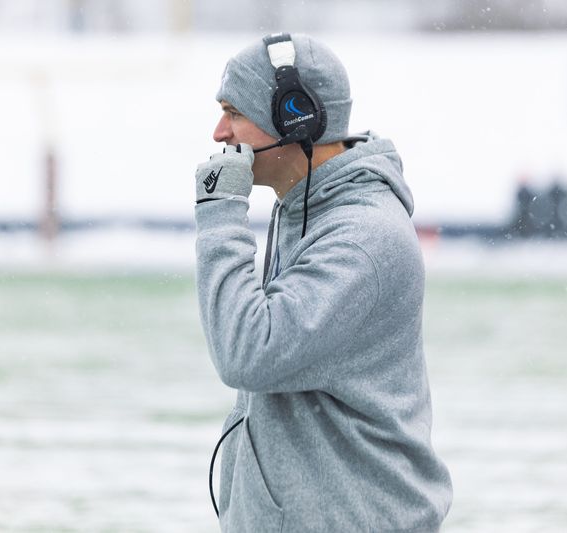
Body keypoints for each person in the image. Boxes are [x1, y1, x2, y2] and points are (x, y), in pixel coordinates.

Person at [194, 33, 452, 532]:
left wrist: (220, 214)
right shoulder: (307, 211)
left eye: (234, 112)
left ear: (296, 119)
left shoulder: (361, 239)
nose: (219, 132)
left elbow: (248, 351)